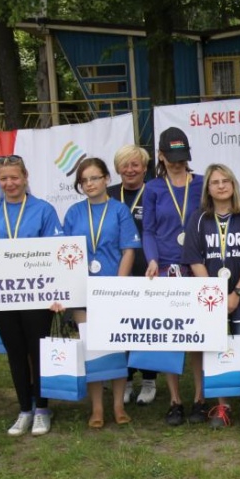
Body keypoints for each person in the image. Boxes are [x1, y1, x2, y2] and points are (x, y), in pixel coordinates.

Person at [0, 155, 64, 437]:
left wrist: (58, 293)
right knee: (15, 352)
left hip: (37, 294)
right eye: (3, 178)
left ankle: (42, 408)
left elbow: (56, 253)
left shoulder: (43, 210)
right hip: (4, 296)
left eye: (14, 177)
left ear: (25, 177)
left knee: (38, 351)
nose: (9, 183)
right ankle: (24, 408)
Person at [63, 158, 141, 428]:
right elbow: (65, 253)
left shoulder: (119, 210)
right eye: (84, 180)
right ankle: (97, 407)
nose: (89, 184)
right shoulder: (73, 212)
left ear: (107, 178)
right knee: (91, 348)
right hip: (83, 290)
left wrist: (117, 287)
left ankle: (118, 404)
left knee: (116, 346)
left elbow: (128, 250)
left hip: (112, 288)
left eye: (94, 178)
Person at [182, 164, 240, 429]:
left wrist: (237, 292)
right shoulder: (198, 219)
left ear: (233, 184)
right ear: (208, 188)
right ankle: (222, 404)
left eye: (225, 181)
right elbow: (194, 259)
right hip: (210, 300)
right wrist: (214, 295)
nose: (221, 186)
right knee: (215, 348)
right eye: (215, 182)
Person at [142, 127, 207, 426]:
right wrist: (152, 259)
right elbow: (148, 230)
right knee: (170, 335)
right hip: (167, 267)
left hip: (197, 266)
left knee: (197, 335)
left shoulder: (202, 184)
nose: (178, 163)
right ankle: (175, 400)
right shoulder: (153, 188)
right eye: (172, 158)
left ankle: (200, 399)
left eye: (183, 158)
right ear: (161, 156)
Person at [108, 144, 158, 404]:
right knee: (121, 327)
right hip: (117, 270)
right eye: (124, 165)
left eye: (135, 164)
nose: (130, 170)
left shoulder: (155, 192)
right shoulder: (108, 194)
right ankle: (125, 379)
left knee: (148, 326)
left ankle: (149, 380)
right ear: (117, 168)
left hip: (148, 269)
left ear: (145, 168)